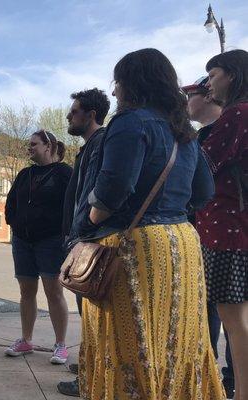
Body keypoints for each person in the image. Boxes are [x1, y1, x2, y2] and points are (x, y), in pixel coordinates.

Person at [73, 48, 224, 399]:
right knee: (178, 339)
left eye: (117, 83)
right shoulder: (184, 130)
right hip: (183, 246)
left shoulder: (129, 122)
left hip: (136, 246)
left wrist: (90, 221)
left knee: (128, 340)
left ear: (131, 82)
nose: (114, 92)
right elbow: (204, 191)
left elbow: (112, 190)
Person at [196, 49, 248, 400]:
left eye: (213, 75)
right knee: (236, 322)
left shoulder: (237, 115)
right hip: (233, 228)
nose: (209, 83)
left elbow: (202, 168)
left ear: (231, 74)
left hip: (229, 231)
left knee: (235, 323)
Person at [182, 76, 235, 398]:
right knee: (207, 306)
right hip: (200, 232)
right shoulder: (197, 138)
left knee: (232, 309)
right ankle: (208, 373)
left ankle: (232, 380)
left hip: (230, 233)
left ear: (209, 97)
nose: (187, 100)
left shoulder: (233, 130)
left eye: (191, 94)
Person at [57, 88, 110, 396]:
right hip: (80, 238)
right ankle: (89, 362)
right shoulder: (89, 146)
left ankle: (90, 378)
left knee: (91, 312)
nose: (68, 116)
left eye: (74, 111)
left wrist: (79, 234)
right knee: (86, 311)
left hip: (88, 241)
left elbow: (91, 194)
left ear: (91, 115)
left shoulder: (100, 142)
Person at [4, 130, 72, 364]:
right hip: (22, 241)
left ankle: (61, 345)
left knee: (53, 291)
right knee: (26, 291)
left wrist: (64, 232)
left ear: (48, 146)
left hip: (51, 241)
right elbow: (11, 202)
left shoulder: (64, 173)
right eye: (28, 144)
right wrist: (13, 222)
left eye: (33, 144)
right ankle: (26, 340)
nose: (29, 147)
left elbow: (72, 204)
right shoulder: (25, 174)